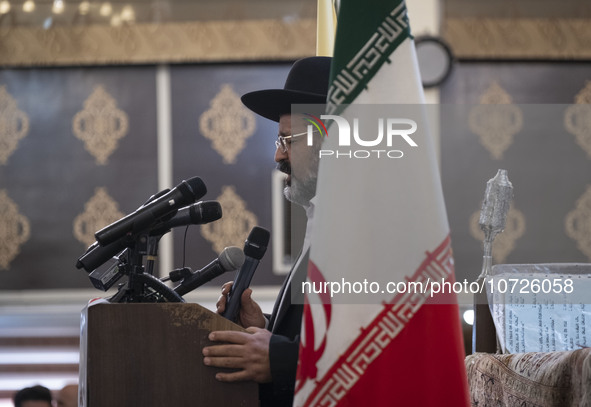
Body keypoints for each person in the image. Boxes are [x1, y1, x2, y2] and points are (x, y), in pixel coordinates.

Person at [202, 56, 331, 406]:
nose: (278, 155)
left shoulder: (372, 225)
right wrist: (266, 328)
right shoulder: (323, 218)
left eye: (288, 140)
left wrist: (281, 359)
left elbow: (385, 348)